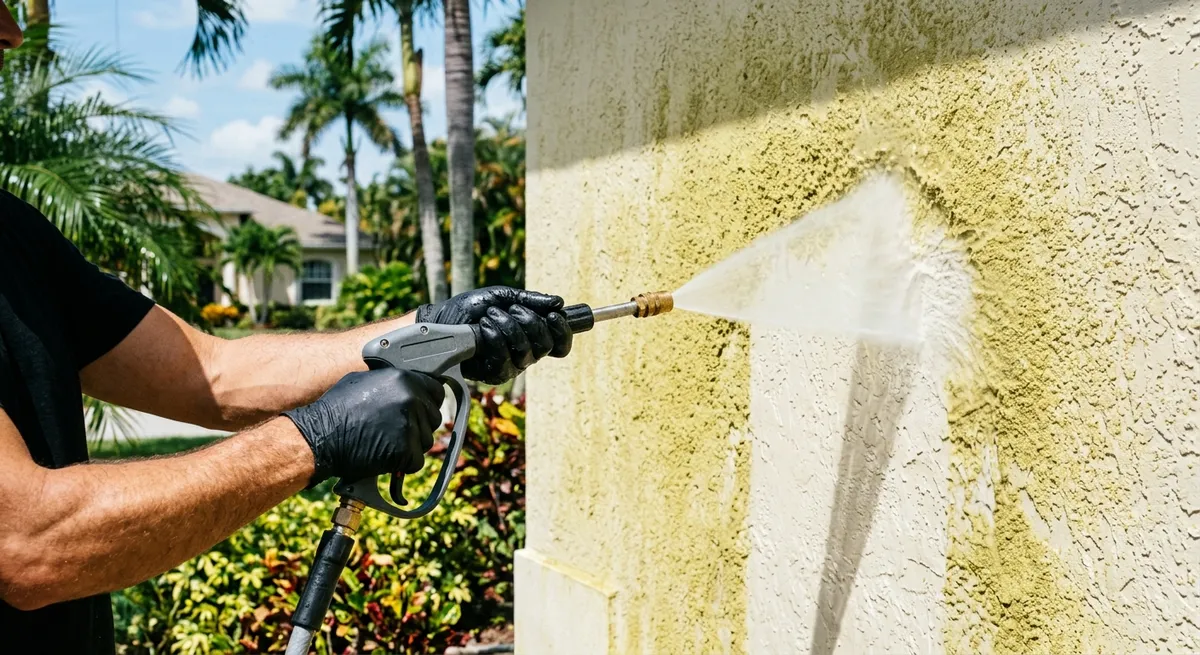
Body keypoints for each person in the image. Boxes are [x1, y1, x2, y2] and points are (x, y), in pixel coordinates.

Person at [0, 7, 571, 651]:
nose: (12, 32)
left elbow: (212, 373)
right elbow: (29, 542)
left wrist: (428, 330)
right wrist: (315, 439)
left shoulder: (12, 235)